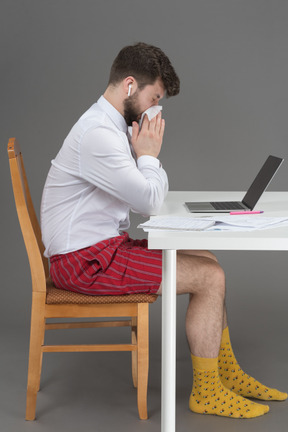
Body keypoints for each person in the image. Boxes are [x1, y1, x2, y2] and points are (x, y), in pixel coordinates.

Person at [41, 42, 287, 419]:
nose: (156, 109)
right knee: (210, 276)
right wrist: (149, 157)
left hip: (100, 249)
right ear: (129, 87)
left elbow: (147, 192)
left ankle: (226, 372)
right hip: (84, 262)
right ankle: (206, 393)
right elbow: (150, 201)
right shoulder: (98, 135)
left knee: (206, 257)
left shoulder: (111, 126)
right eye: (154, 97)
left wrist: (146, 159)